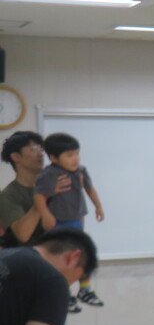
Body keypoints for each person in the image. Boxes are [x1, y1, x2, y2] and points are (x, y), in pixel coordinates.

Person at [32, 133, 105, 312]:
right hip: (57, 223)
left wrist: (98, 206)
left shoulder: (81, 170)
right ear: (54, 158)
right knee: (61, 259)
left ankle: (85, 290)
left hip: (76, 221)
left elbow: (90, 188)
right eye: (69, 155)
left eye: (77, 153)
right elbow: (39, 196)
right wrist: (46, 215)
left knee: (81, 253)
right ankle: (64, 293)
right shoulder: (49, 174)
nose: (75, 159)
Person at [0, 131, 46, 247]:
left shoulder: (53, 184)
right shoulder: (9, 195)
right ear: (16, 156)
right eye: (34, 149)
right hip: (29, 255)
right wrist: (41, 199)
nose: (41, 154)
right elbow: (23, 235)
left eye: (41, 149)